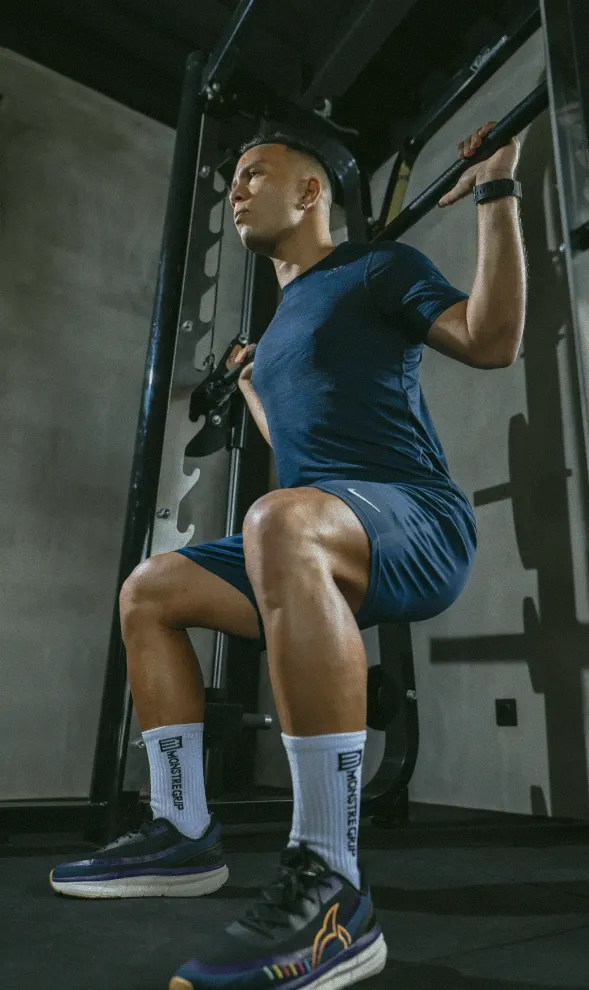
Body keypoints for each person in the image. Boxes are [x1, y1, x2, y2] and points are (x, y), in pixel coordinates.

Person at [50, 122, 526, 990]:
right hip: (318, 522)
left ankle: (332, 882)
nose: (235, 191)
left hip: (417, 518)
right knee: (150, 587)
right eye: (232, 179)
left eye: (255, 174)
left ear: (310, 193)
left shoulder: (378, 268)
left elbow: (493, 341)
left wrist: (498, 189)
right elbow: (299, 452)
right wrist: (254, 385)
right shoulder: (276, 329)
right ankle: (182, 828)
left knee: (281, 519)